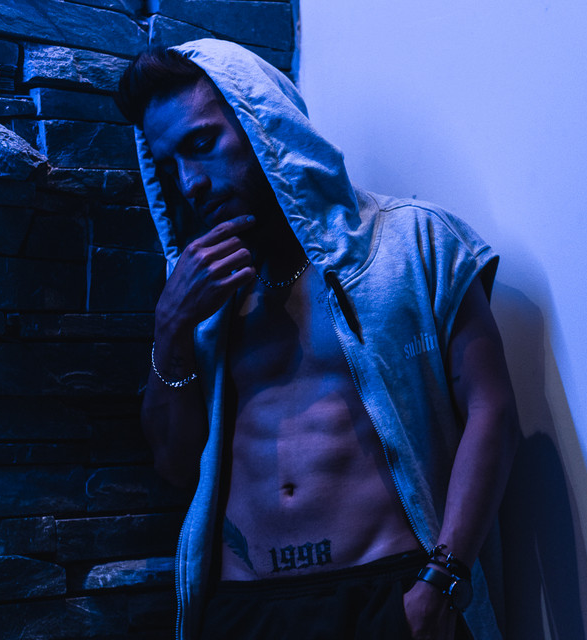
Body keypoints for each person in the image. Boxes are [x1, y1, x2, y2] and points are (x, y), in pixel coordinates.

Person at [116, 38, 520, 640]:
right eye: (170, 164)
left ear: (265, 125)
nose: (190, 183)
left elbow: (493, 413)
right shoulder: (201, 294)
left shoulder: (413, 242)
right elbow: (176, 466)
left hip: (391, 593)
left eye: (201, 145)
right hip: (245, 609)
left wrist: (443, 580)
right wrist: (170, 328)